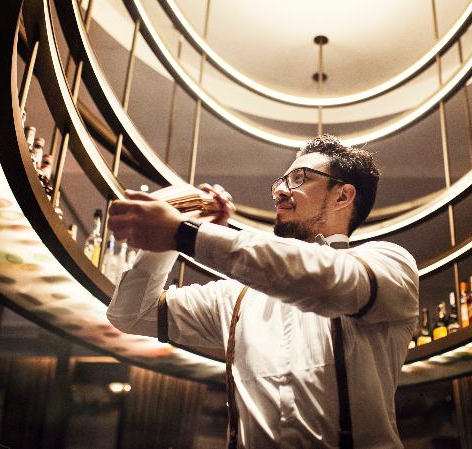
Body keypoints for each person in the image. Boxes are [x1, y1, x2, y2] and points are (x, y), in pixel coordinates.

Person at [106, 134, 419, 448]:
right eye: (280, 182)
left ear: (343, 196)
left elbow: (325, 278)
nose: (280, 191)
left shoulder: (390, 264)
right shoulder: (235, 298)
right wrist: (177, 228)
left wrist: (185, 234)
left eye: (299, 178)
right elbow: (132, 314)